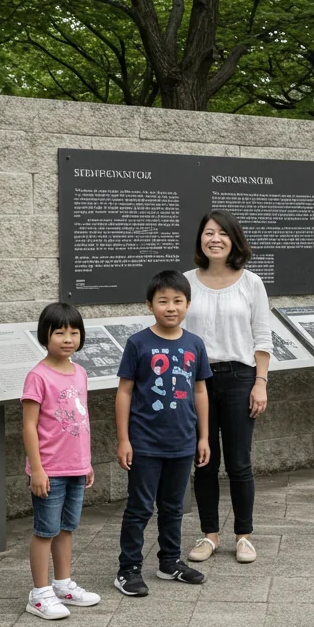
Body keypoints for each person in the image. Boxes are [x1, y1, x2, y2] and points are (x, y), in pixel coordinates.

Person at [114, 270, 213, 597]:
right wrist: (124, 439)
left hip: (182, 442)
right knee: (140, 507)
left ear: (188, 304)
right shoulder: (138, 343)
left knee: (173, 507)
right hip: (145, 442)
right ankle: (127, 569)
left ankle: (169, 561)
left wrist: (203, 437)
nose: (171, 307)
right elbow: (124, 392)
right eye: (163, 301)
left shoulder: (194, 344)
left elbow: (200, 391)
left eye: (178, 301)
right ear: (149, 305)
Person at [184, 211, 270, 565]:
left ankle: (244, 536)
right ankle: (209, 535)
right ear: (200, 240)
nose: (214, 239)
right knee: (204, 461)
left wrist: (260, 383)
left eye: (222, 233)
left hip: (240, 379)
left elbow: (263, 336)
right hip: (196, 381)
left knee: (239, 462)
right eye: (208, 233)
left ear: (234, 240)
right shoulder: (185, 282)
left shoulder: (251, 283)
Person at [21, 302, 101, 620]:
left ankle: (62, 584)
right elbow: (28, 425)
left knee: (67, 528)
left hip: (76, 467)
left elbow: (81, 420)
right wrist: (37, 469)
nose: (67, 339)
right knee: (45, 530)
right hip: (50, 470)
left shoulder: (79, 372)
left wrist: (87, 462)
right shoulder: (38, 376)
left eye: (74, 332)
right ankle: (39, 594)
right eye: (59, 332)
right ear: (45, 336)